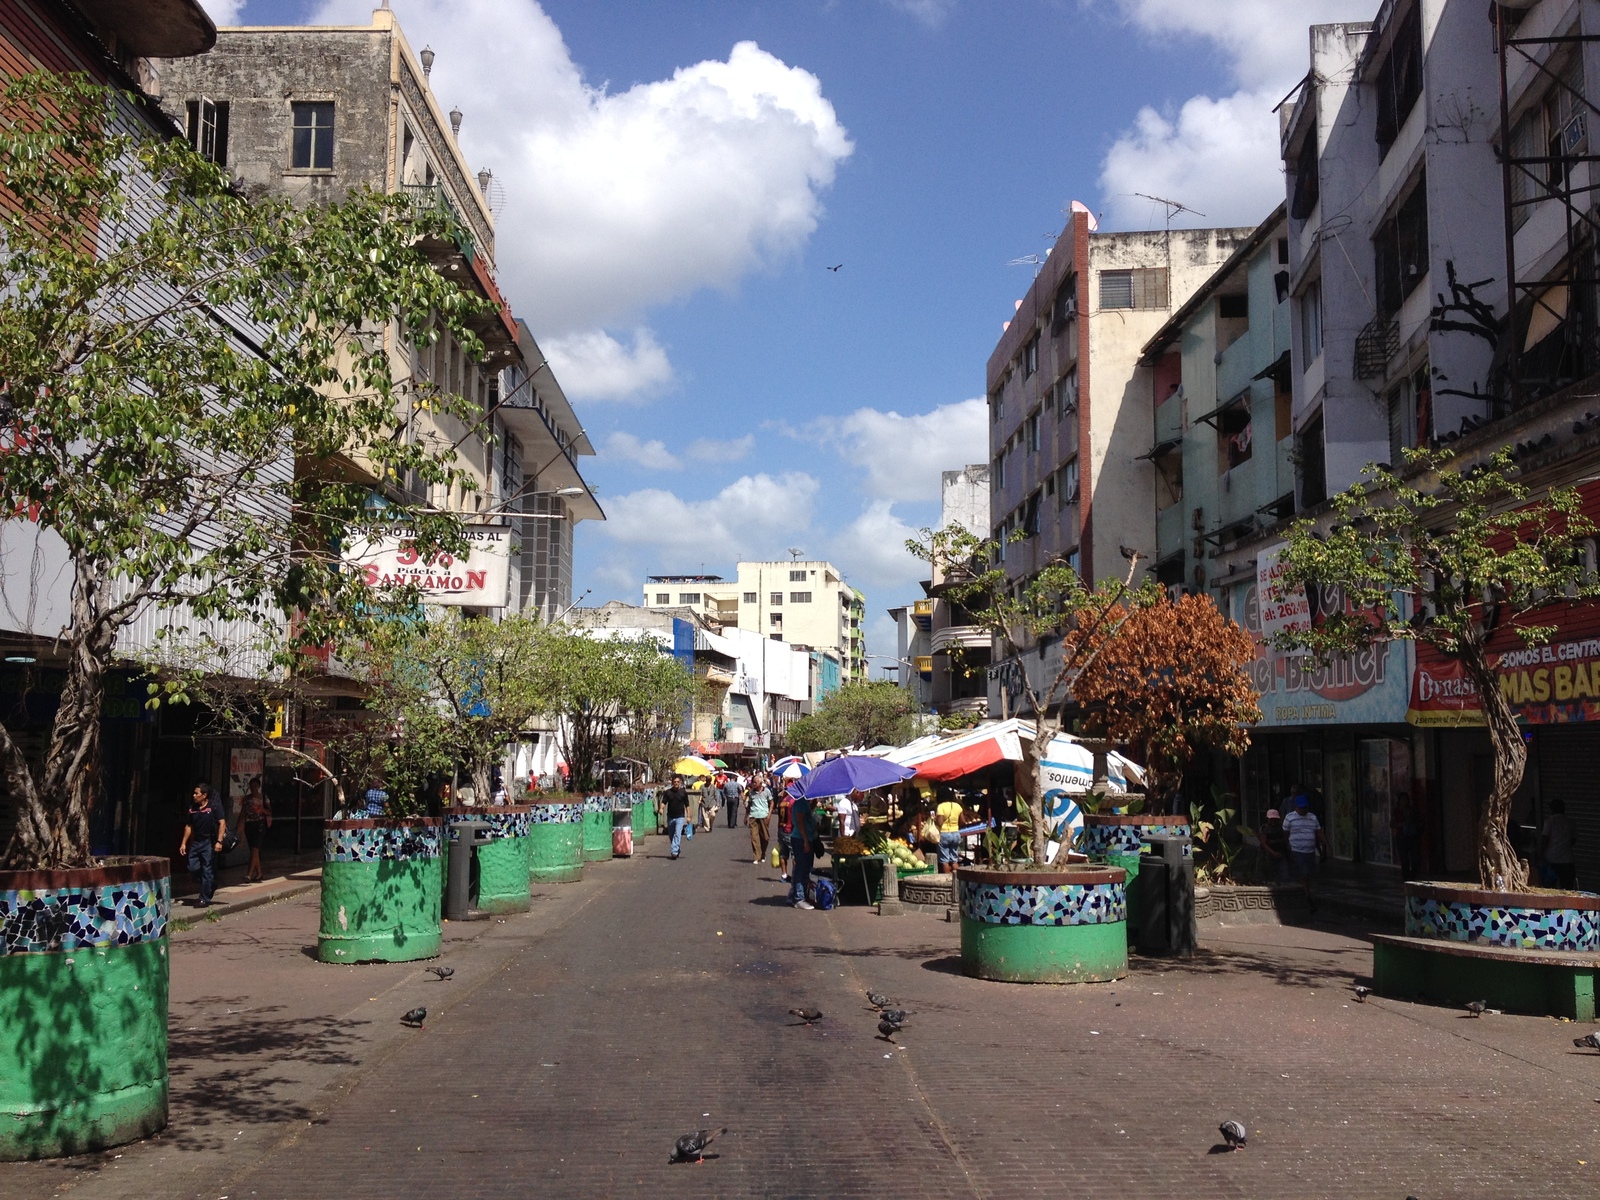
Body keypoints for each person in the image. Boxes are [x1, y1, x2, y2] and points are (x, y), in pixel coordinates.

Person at [178, 783, 226, 907]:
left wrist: (219, 841)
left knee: (207, 869)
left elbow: (222, 823)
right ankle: (210, 884)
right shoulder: (192, 808)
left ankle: (204, 898)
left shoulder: (213, 807)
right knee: (192, 868)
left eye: (197, 793)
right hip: (196, 843)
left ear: (204, 795)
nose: (194, 795)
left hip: (208, 843)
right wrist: (183, 843)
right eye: (194, 793)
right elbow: (189, 826)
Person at [1281, 792, 1327, 913]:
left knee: (1309, 875)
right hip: (1296, 850)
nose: (1304, 809)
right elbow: (1285, 835)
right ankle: (1308, 897)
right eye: (1301, 807)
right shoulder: (1290, 817)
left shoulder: (1312, 818)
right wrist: (1288, 850)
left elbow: (1318, 833)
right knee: (1303, 874)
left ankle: (1305, 892)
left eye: (1305, 807)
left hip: (1310, 851)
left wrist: (1324, 848)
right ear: (1297, 807)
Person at [1539, 798, 1578, 889]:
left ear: (1552, 809)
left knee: (1549, 887)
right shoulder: (1569, 822)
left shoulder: (1549, 821)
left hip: (1551, 859)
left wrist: (1540, 854)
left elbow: (1545, 839)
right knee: (1568, 887)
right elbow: (1573, 839)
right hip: (1567, 860)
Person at [240, 778, 272, 883]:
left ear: (258, 786)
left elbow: (269, 812)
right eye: (251, 786)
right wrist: (240, 825)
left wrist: (261, 809)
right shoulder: (247, 799)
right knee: (254, 851)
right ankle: (259, 873)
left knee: (255, 849)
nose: (253, 788)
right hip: (249, 824)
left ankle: (249, 874)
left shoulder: (263, 798)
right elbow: (243, 812)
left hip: (259, 824)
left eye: (255, 786)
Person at [790, 787, 817, 909]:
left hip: (804, 838)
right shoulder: (800, 802)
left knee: (802, 868)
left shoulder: (804, 802)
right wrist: (806, 841)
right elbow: (800, 822)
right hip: (800, 839)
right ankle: (799, 898)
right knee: (802, 868)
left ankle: (795, 895)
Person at [1393, 791, 1423, 881]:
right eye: (1402, 799)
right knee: (1404, 860)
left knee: (1415, 858)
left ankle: (1412, 876)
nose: (1404, 801)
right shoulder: (1396, 812)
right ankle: (1407, 878)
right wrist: (1401, 824)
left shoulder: (1413, 811)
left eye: (1406, 799)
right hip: (1401, 838)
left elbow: (1420, 821)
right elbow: (1392, 824)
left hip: (1413, 837)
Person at [935, 789, 966, 875]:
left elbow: (940, 823)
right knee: (954, 859)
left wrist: (935, 820)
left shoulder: (941, 806)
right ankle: (958, 879)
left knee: (945, 860)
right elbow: (963, 822)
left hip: (944, 834)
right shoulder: (957, 806)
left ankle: (948, 880)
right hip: (956, 834)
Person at [663, 775, 692, 859]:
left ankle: (674, 851)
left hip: (680, 817)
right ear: (672, 783)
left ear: (680, 783)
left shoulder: (683, 792)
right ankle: (676, 848)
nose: (676, 783)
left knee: (677, 834)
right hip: (670, 817)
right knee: (671, 835)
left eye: (678, 782)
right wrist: (661, 808)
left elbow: (687, 805)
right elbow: (664, 802)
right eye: (675, 782)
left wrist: (689, 816)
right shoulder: (668, 792)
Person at [1258, 808, 1288, 884]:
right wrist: (1273, 853)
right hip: (1267, 856)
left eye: (1275, 819)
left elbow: (1284, 840)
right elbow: (1263, 843)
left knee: (1284, 876)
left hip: (1280, 854)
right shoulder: (1264, 828)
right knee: (1268, 876)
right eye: (1271, 819)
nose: (1273, 821)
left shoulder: (1279, 828)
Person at [747, 775, 772, 864]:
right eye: (753, 782)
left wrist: (769, 815)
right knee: (754, 837)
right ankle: (756, 856)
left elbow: (771, 802)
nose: (753, 784)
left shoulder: (767, 791)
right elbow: (749, 804)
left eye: (755, 782)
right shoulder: (751, 793)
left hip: (763, 816)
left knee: (765, 837)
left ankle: (763, 853)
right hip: (753, 816)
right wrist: (746, 816)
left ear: (760, 783)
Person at [777, 785, 795, 881]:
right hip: (789, 830)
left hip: (781, 829)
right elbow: (794, 818)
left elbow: (779, 817)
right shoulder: (792, 801)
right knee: (794, 854)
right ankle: (795, 875)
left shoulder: (782, 802)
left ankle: (784, 875)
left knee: (783, 853)